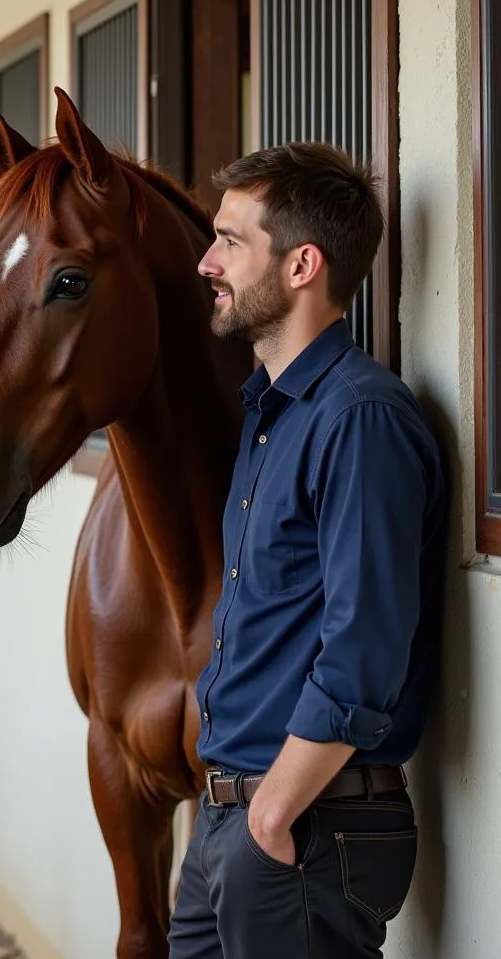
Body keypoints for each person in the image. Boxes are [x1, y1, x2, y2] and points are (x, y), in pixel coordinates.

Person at [167, 142, 447, 958]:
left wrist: (271, 814)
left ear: (301, 266)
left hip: (303, 828)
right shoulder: (273, 413)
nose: (205, 262)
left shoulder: (361, 418)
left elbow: (364, 651)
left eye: (229, 240)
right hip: (234, 820)